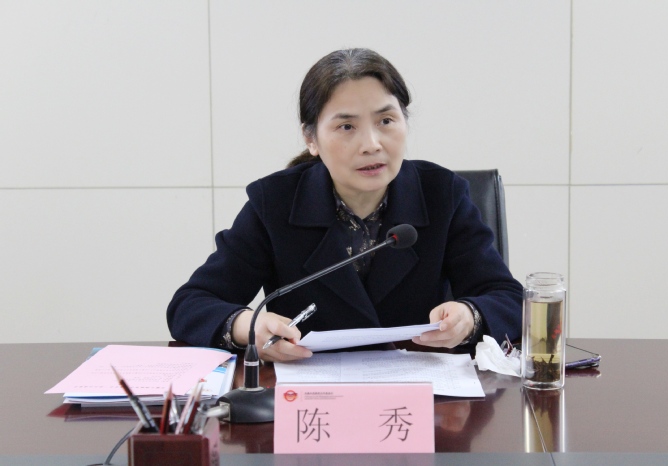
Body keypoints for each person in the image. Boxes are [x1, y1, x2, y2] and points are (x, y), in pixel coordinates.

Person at [167, 48, 522, 362]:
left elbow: (509, 298)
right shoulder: (275, 203)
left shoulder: (442, 194)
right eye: (347, 127)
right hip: (311, 398)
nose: (371, 144)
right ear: (311, 139)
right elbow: (191, 304)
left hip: (422, 397)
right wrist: (248, 325)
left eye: (386, 121)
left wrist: (470, 316)